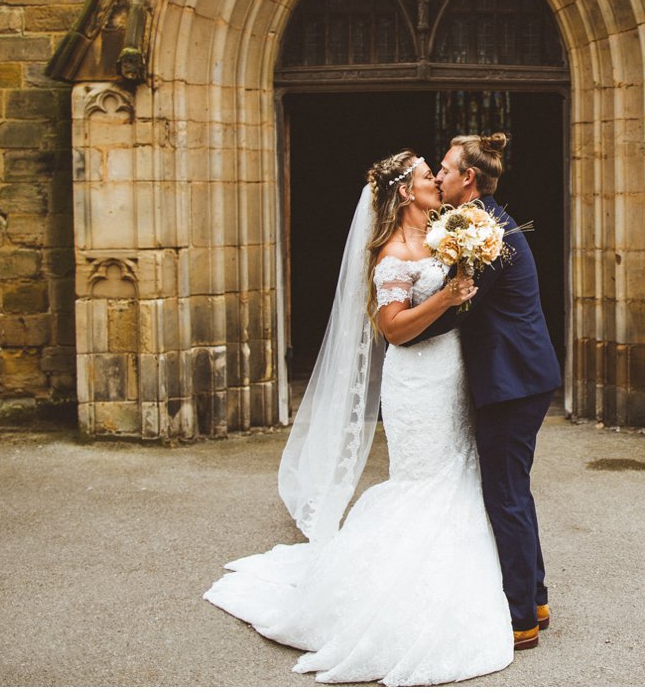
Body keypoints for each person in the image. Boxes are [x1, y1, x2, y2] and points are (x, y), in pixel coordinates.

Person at [203, 151, 514, 686]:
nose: (435, 182)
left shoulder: (444, 235)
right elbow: (393, 328)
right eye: (424, 178)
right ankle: (395, 598)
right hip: (416, 382)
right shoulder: (392, 253)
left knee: (458, 473)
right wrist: (444, 298)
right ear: (403, 193)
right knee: (422, 481)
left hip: (451, 373)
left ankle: (461, 582)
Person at [410, 132, 563, 651]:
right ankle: (535, 599)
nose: (439, 175)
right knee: (512, 490)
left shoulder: (484, 231)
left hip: (512, 380)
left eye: (446, 170)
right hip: (517, 376)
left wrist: (399, 331)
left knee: (504, 495)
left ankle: (521, 620)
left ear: (467, 178)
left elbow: (459, 305)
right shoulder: (481, 222)